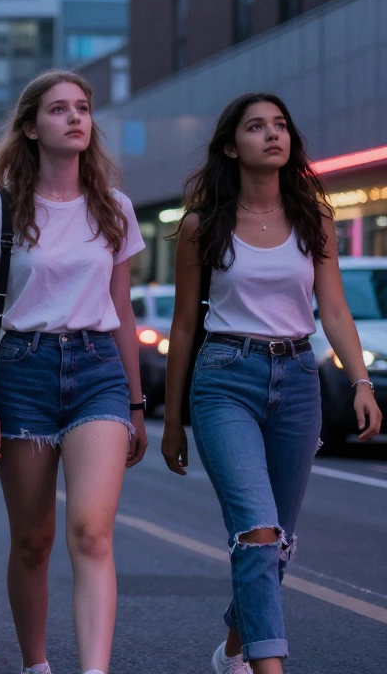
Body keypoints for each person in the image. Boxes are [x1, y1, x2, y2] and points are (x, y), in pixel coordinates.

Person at [162, 93, 382, 674]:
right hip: (224, 377)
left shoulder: (315, 217)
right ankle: (268, 665)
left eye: (280, 125)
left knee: (275, 541)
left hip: (298, 378)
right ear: (232, 146)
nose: (273, 135)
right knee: (257, 532)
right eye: (256, 127)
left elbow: (333, 309)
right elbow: (184, 326)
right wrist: (173, 421)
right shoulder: (200, 226)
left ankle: (234, 646)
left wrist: (359, 380)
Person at [0, 70, 147, 674]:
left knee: (91, 532)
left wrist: (138, 402)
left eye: (83, 108)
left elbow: (121, 310)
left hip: (98, 372)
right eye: (59, 109)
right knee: (33, 540)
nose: (75, 118)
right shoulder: (1, 208)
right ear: (31, 127)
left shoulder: (114, 208)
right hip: (23, 372)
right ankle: (36, 665)